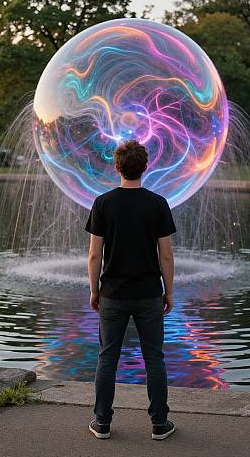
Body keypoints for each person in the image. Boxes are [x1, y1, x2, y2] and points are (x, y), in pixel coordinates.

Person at [85, 140, 176, 441]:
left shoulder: (103, 203)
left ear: (117, 167)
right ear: (145, 167)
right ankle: (159, 424)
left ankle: (102, 423)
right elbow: (166, 255)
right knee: (155, 359)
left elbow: (94, 255)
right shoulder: (157, 203)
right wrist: (169, 291)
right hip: (149, 292)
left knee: (107, 358)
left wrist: (94, 290)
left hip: (112, 292)